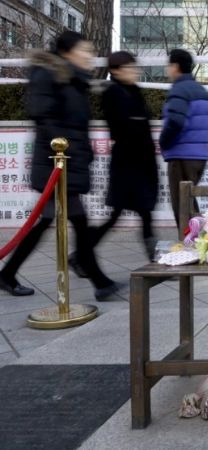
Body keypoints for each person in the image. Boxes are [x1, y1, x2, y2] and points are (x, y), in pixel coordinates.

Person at [0, 31, 119, 300]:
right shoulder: (48, 75)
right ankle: (98, 279)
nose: (90, 56)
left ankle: (8, 274)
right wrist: (67, 153)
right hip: (56, 164)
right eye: (85, 50)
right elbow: (46, 119)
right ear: (68, 52)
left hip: (67, 164)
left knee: (54, 221)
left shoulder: (74, 80)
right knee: (71, 221)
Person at [88, 51, 159, 261]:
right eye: (128, 68)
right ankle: (82, 255)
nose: (133, 71)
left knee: (143, 212)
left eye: (134, 67)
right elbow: (120, 129)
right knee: (121, 214)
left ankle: (81, 255)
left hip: (141, 162)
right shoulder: (113, 93)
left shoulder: (134, 91)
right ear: (115, 71)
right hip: (127, 163)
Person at [159, 49, 208, 231]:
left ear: (175, 67)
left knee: (182, 205)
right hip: (200, 156)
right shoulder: (202, 91)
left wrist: (164, 142)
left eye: (169, 66)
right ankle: (200, 241)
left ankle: (192, 245)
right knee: (189, 202)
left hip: (181, 155)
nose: (167, 70)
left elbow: (175, 121)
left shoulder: (179, 90)